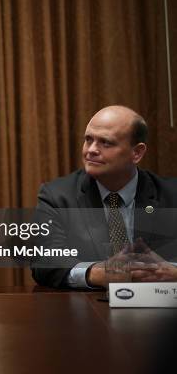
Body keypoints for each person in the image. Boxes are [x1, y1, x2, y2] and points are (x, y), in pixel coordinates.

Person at [32, 106, 177, 288]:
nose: (91, 150)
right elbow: (44, 260)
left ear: (137, 152)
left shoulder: (172, 195)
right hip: (86, 310)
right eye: (88, 140)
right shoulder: (57, 196)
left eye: (106, 143)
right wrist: (95, 274)